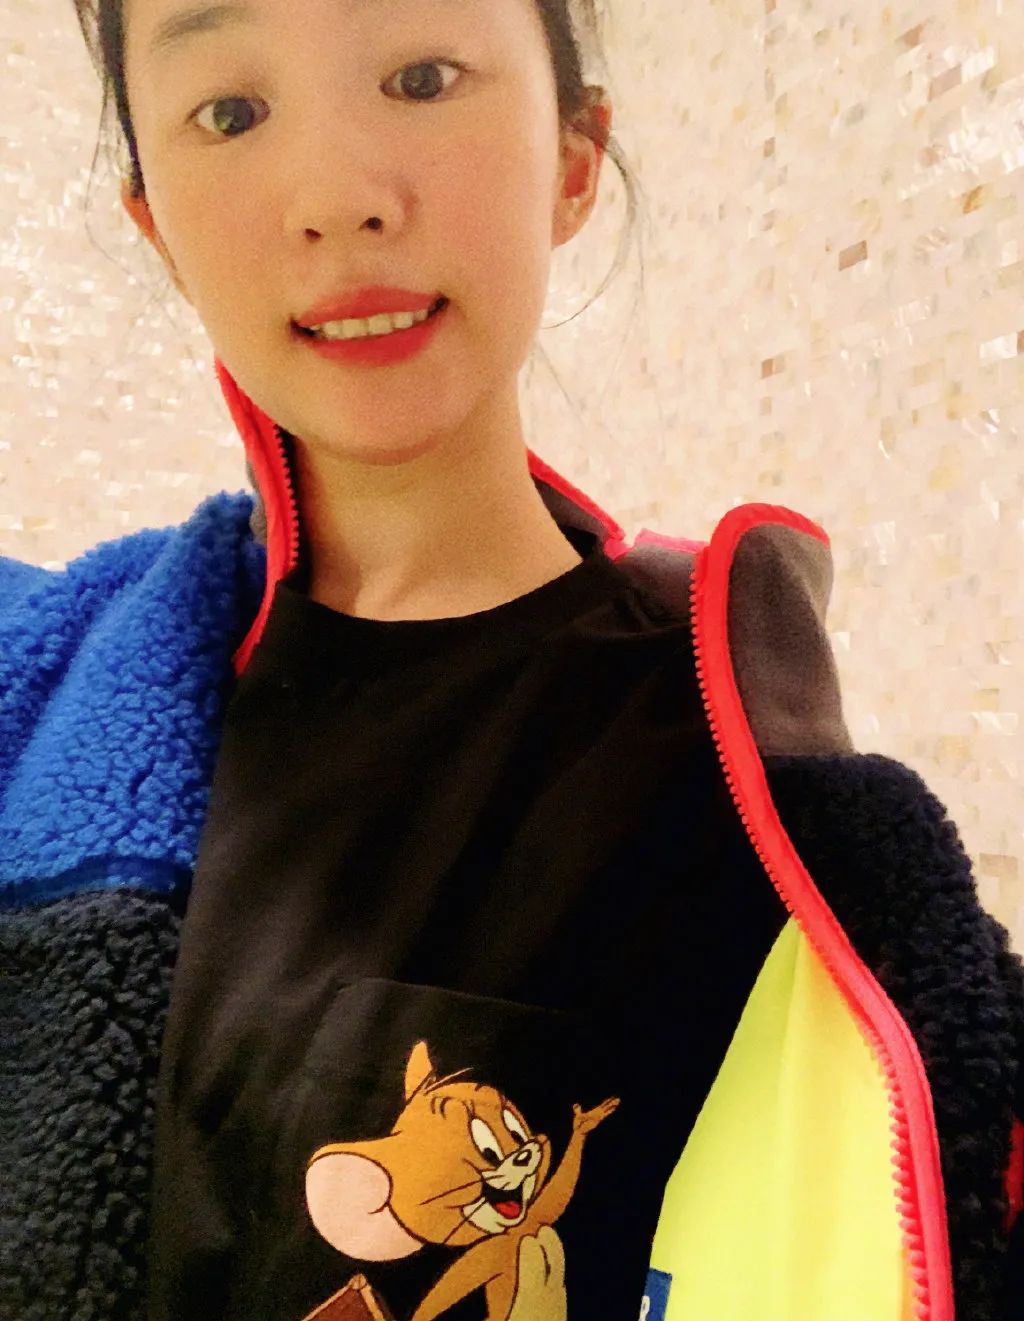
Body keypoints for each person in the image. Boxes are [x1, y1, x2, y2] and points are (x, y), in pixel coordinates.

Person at [1, 0, 1022, 1318]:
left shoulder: (746, 791)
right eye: (232, 112)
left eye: (423, 76)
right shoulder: (51, 700)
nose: (338, 197)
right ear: (159, 227)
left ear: (573, 161)